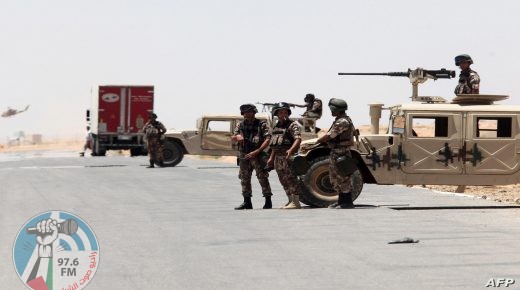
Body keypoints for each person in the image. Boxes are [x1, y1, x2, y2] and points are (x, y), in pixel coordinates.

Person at [315, 98, 355, 209]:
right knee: (336, 178)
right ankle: (341, 201)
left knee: (343, 178)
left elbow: (330, 135)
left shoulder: (342, 121)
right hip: (336, 152)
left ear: (337, 109)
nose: (331, 112)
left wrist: (319, 140)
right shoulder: (339, 119)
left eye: (332, 110)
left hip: (341, 153)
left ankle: (347, 202)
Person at [232, 104, 273, 210]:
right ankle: (247, 202)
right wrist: (237, 137)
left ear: (254, 112)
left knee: (262, 177)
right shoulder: (240, 125)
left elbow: (268, 139)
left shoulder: (261, 124)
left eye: (249, 112)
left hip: (257, 154)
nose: (247, 114)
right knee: (244, 178)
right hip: (244, 154)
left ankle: (268, 201)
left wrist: (258, 151)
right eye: (245, 112)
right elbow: (233, 137)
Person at [266, 102, 302, 209]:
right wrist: (271, 158)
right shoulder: (277, 126)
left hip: (287, 156)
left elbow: (298, 139)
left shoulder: (292, 125)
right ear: (276, 114)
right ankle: (290, 200)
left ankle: (296, 202)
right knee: (283, 180)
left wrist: (291, 150)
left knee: (291, 179)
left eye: (285, 112)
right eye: (280, 112)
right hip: (278, 157)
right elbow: (274, 144)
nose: (283, 114)